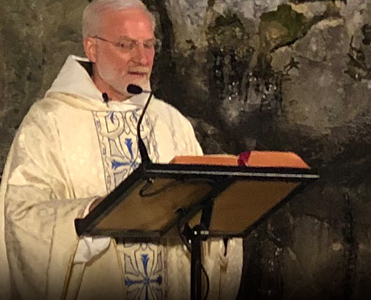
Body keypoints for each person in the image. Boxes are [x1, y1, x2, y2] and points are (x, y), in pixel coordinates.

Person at [0, 0, 243, 299]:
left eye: (149, 45)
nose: (142, 58)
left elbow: (204, 210)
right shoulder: (50, 122)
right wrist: (87, 214)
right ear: (92, 48)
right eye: (126, 45)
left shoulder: (170, 122)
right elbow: (20, 216)